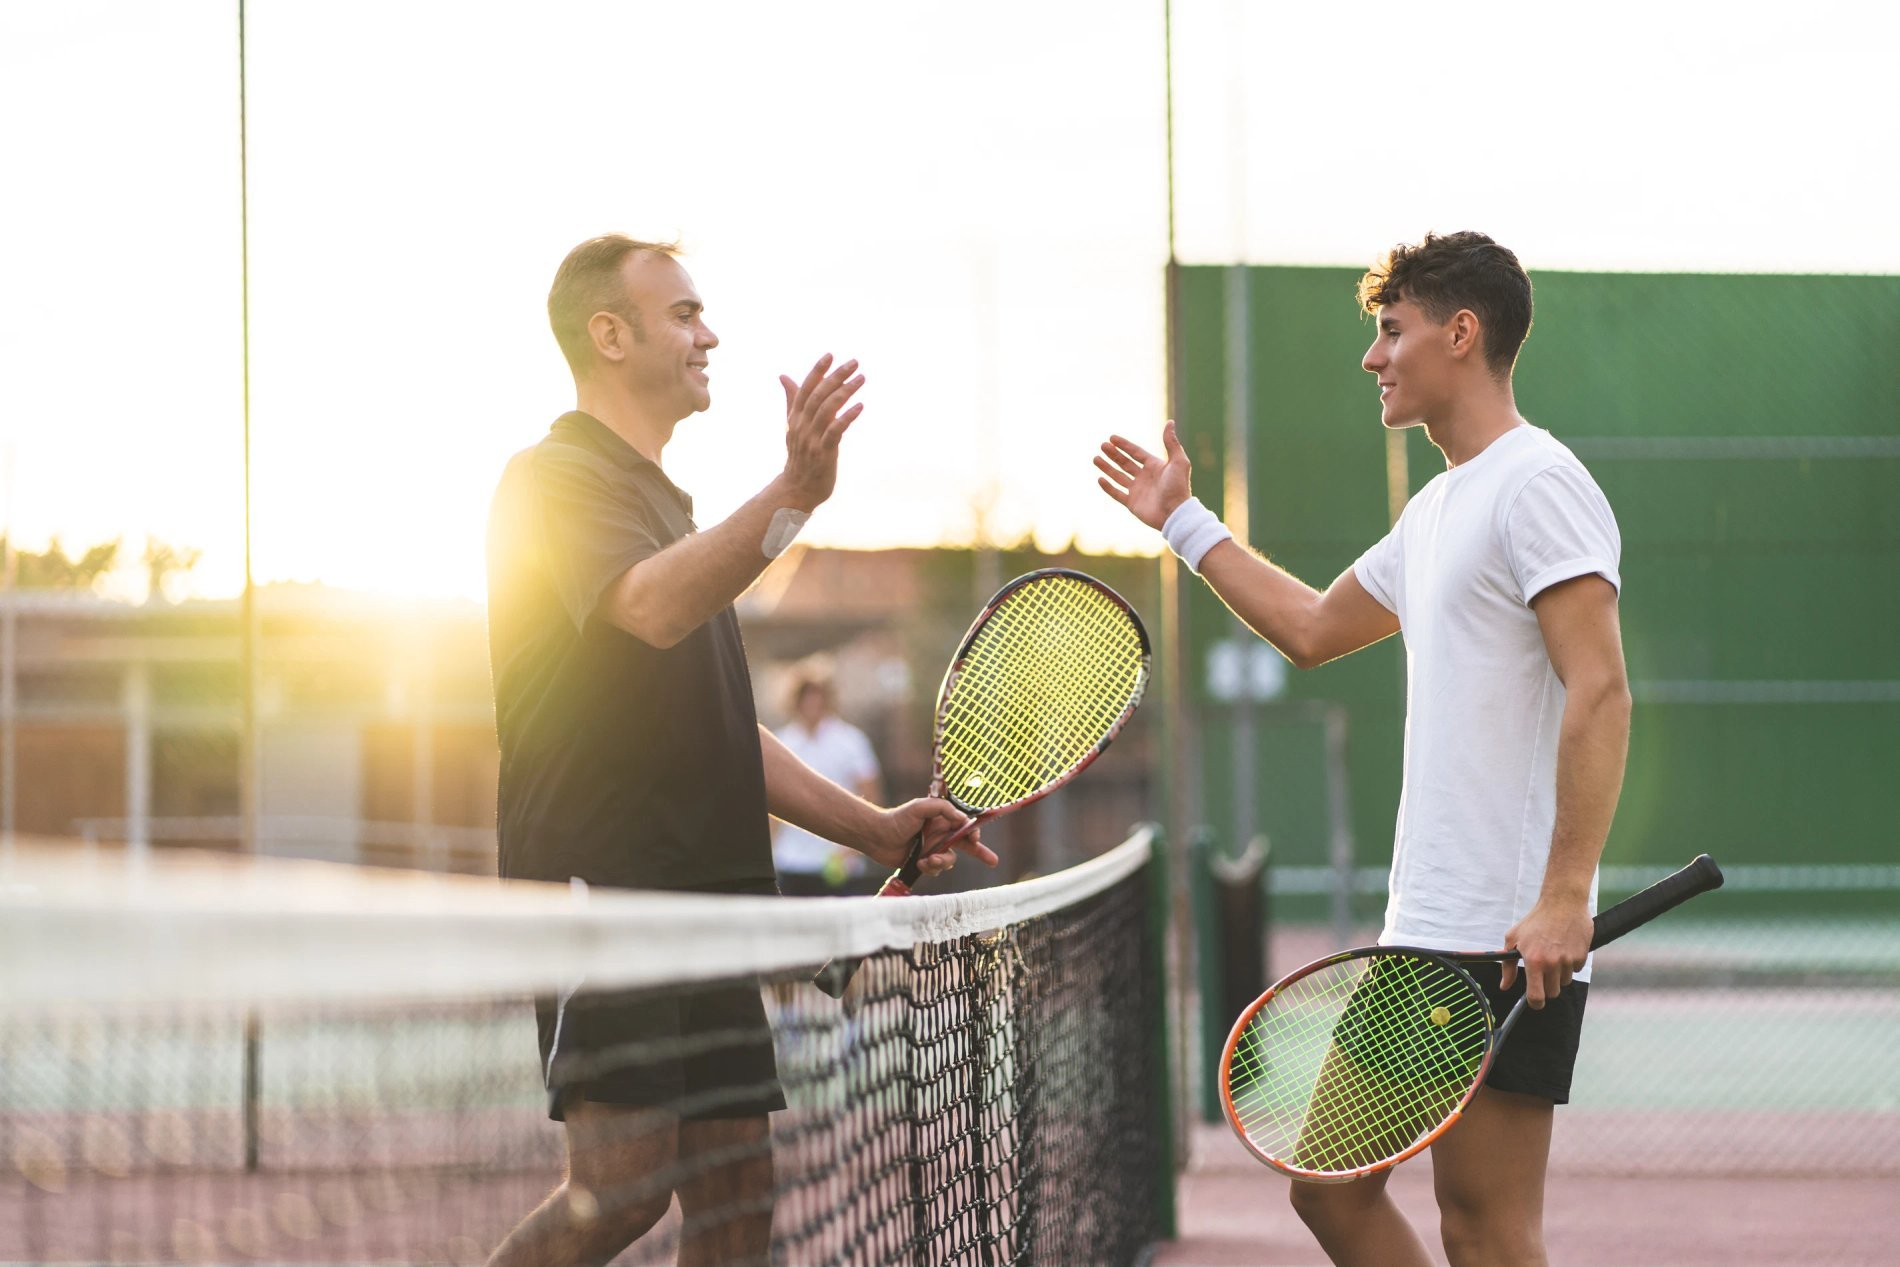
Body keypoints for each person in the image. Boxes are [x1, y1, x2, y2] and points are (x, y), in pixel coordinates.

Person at [1095, 231, 1629, 1267]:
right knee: (1328, 1190)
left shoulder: (1539, 484)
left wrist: (1565, 895)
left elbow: (1600, 691)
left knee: (1485, 1228)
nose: (1371, 358)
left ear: (1460, 334)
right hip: (1420, 927)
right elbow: (1308, 627)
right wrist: (1181, 519)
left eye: (1392, 331)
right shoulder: (1434, 509)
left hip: (1501, 937)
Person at [484, 234, 996, 1267]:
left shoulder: (666, 505)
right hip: (611, 890)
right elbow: (652, 608)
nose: (708, 333)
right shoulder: (552, 480)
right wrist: (795, 493)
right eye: (682, 314)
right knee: (619, 1194)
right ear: (609, 334)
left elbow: (723, 727)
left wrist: (878, 826)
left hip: (710, 898)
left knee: (735, 1198)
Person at [771, 666, 885, 896]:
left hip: (842, 869)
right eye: (806, 698)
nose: (812, 705)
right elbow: (772, 805)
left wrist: (849, 851)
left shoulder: (851, 741)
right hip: (791, 865)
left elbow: (872, 798)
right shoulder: (782, 741)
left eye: (818, 698)